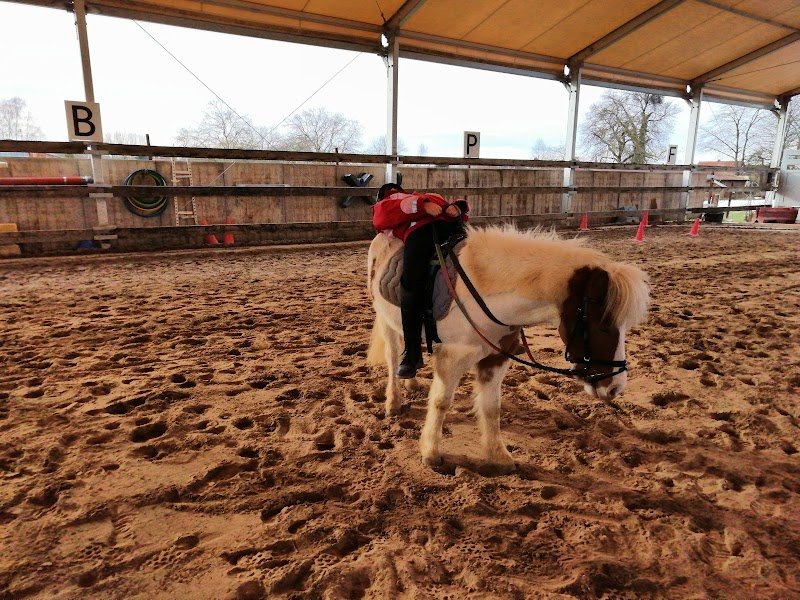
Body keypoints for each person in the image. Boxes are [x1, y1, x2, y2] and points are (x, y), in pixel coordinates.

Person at [372, 183, 469, 378]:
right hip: (422, 231)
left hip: (448, 226)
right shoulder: (391, 202)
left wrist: (457, 207)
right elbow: (382, 216)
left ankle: (412, 353)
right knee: (412, 281)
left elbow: (450, 206)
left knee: (411, 283)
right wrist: (423, 206)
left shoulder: (422, 196)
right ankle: (412, 350)